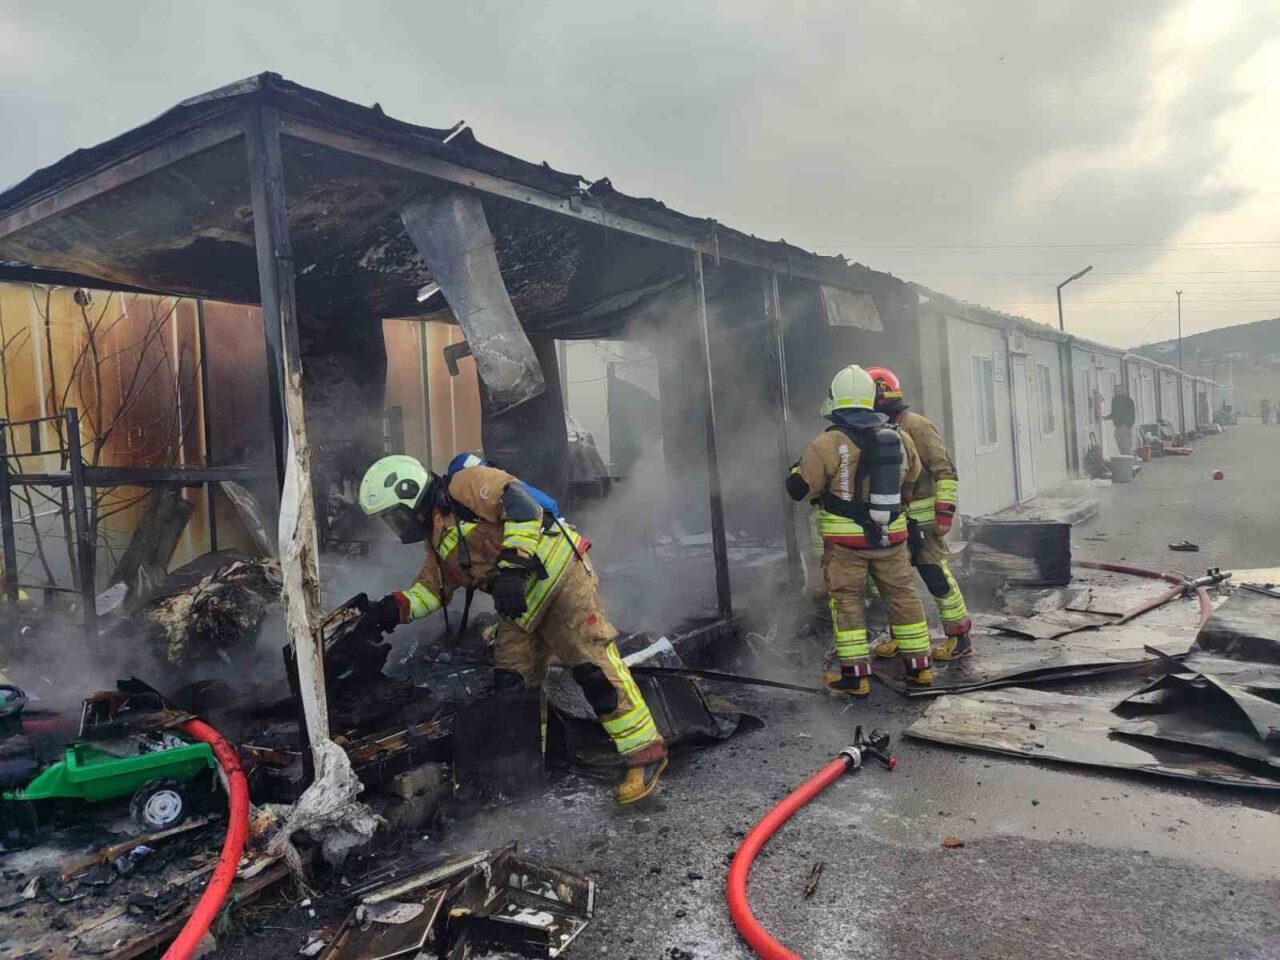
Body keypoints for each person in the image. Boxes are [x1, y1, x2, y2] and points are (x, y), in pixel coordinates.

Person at [357, 454, 667, 804]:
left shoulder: (466, 484)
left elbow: (521, 505)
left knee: (592, 667)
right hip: (520, 606)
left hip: (563, 580)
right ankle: (528, 767)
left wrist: (514, 569)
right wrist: (391, 609)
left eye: (392, 515)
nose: (394, 525)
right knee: (513, 684)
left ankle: (645, 754)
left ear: (408, 492)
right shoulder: (438, 535)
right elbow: (433, 588)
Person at [785, 364, 933, 695]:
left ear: (835, 400)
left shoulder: (827, 442)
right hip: (892, 538)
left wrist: (797, 467)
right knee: (903, 597)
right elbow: (914, 479)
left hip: (846, 543)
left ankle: (855, 678)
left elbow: (798, 489)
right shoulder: (901, 437)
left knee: (848, 601)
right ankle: (920, 669)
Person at [864, 367, 973, 662]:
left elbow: (945, 470)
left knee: (935, 575)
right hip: (894, 520)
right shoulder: (876, 429)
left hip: (922, 522)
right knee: (892, 582)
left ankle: (960, 637)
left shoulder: (916, 425)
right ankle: (901, 636)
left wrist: (944, 512)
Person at [1103, 383, 1137, 455]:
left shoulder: (1128, 400)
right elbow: (1114, 412)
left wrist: (1129, 425)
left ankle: (1128, 463)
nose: (1118, 392)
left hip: (1126, 426)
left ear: (1123, 391)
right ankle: (1124, 461)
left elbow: (1133, 413)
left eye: (1120, 390)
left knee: (1127, 446)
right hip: (1117, 426)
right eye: (1116, 391)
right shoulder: (1114, 400)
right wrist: (1107, 417)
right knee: (1119, 445)